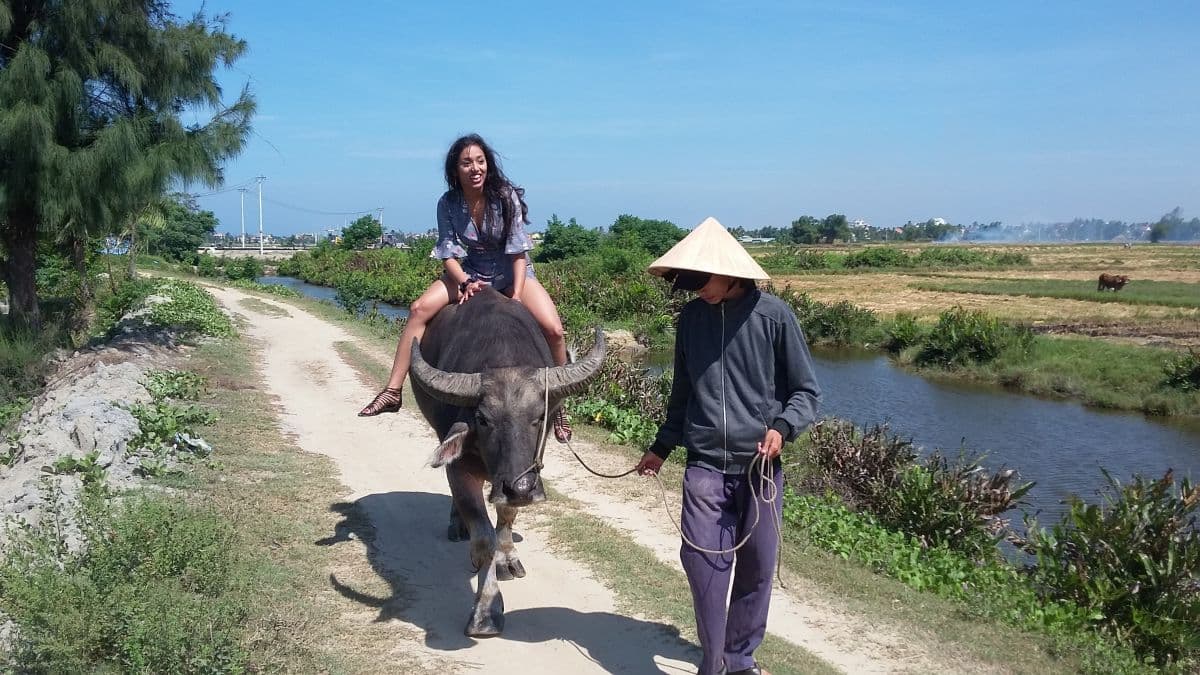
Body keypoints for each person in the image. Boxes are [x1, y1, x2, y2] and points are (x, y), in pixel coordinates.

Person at [634, 217, 820, 675]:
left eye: (703, 281)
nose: (696, 290)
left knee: (757, 570)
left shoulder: (773, 316)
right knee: (701, 564)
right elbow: (682, 393)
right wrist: (661, 447)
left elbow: (806, 391)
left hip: (759, 469)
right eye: (689, 283)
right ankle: (714, 663)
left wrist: (783, 426)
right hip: (704, 467)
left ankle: (739, 660)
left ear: (732, 274)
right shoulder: (690, 320)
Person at [359, 134, 573, 442]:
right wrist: (464, 282)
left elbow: (517, 249)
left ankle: (560, 406)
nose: (475, 168)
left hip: (514, 271)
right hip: (471, 270)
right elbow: (448, 251)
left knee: (554, 329)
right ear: (455, 169)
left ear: (488, 164)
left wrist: (514, 295)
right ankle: (393, 390)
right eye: (467, 162)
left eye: (480, 161)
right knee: (418, 309)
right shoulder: (448, 203)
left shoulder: (504, 196)